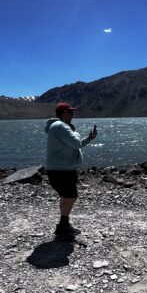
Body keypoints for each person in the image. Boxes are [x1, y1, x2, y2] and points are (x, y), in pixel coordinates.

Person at [45, 102, 97, 239]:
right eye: (70, 112)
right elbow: (76, 143)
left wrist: (89, 138)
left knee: (65, 196)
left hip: (59, 168)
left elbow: (74, 143)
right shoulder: (61, 126)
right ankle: (63, 226)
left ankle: (63, 225)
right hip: (62, 170)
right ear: (63, 113)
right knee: (71, 196)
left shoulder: (57, 127)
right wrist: (75, 132)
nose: (72, 114)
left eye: (72, 112)